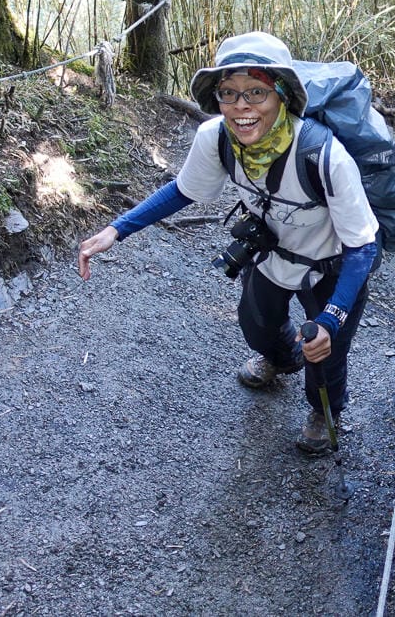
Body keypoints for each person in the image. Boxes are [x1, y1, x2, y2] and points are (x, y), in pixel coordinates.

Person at [77, 31, 379, 454]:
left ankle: (323, 410)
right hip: (272, 253)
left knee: (325, 353)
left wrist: (330, 320)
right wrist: (116, 230)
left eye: (257, 92)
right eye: (229, 93)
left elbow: (362, 246)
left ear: (282, 97)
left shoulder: (324, 155)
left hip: (331, 265)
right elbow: (183, 191)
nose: (242, 106)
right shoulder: (217, 138)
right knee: (257, 325)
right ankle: (280, 357)